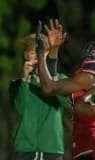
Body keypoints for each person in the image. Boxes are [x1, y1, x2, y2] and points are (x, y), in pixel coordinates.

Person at [35, 27, 95, 160]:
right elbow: (54, 83)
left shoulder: (91, 76)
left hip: (92, 142)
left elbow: (49, 87)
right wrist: (54, 51)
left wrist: (40, 53)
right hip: (93, 142)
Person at [9, 19, 70, 160]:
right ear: (25, 55)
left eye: (41, 52)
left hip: (52, 148)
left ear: (48, 54)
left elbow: (67, 104)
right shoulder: (17, 84)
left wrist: (52, 78)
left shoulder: (60, 79)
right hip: (24, 149)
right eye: (32, 52)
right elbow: (20, 108)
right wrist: (25, 80)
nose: (37, 56)